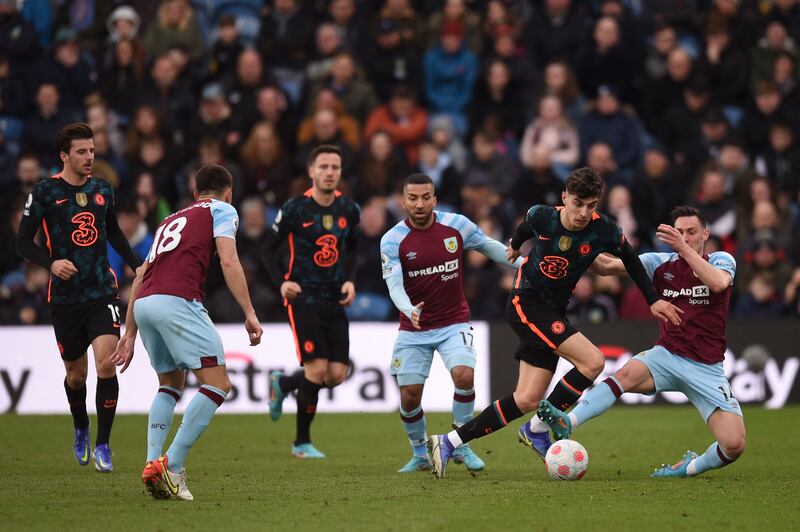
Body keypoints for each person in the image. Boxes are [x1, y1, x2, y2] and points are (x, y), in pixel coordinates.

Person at [428, 167, 682, 479]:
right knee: (593, 361)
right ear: (564, 198)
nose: (583, 213)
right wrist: (515, 245)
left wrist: (653, 297)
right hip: (526, 303)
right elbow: (523, 229)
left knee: (527, 399)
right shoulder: (543, 216)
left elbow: (629, 258)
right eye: (578, 204)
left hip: (553, 312)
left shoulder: (604, 230)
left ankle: (449, 441)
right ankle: (537, 427)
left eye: (591, 206)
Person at [538, 206, 745, 478]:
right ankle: (569, 421)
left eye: (692, 232)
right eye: (679, 232)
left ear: (705, 233)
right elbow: (606, 266)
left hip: (707, 367)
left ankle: (688, 467)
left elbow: (718, 284)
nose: (685, 237)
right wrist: (579, 240)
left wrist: (683, 248)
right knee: (625, 373)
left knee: (733, 445)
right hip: (667, 355)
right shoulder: (659, 262)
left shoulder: (721, 259)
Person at [112, 164, 263, 500]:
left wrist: (130, 332)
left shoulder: (170, 220)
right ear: (229, 192)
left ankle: (152, 463)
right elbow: (228, 261)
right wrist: (250, 313)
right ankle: (172, 465)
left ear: (195, 194)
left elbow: (139, 274)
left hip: (145, 303)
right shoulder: (222, 209)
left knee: (170, 383)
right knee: (218, 384)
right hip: (177, 301)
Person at [15, 123, 141, 472]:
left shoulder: (103, 189)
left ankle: (103, 443)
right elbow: (22, 243)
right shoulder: (44, 192)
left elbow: (112, 230)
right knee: (76, 375)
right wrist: (51, 263)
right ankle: (80, 426)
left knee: (105, 364)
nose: (90, 157)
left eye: (92, 151)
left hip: (102, 290)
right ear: (64, 156)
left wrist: (135, 264)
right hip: (65, 299)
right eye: (82, 152)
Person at [380, 173, 522, 473]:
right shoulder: (392, 239)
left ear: (435, 199)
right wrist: (408, 308)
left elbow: (490, 247)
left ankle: (460, 442)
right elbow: (394, 284)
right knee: (408, 396)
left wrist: (527, 266)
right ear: (403, 201)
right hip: (413, 327)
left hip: (453, 323)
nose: (420, 204)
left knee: (464, 376)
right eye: (413, 198)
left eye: (425, 197)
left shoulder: (456, 225)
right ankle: (420, 452)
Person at [262, 144, 360, 459]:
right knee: (316, 370)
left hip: (335, 299)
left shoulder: (348, 210)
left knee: (336, 375)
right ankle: (301, 443)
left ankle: (284, 382)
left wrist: (349, 279)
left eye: (335, 167)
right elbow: (267, 251)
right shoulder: (295, 209)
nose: (330, 173)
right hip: (304, 298)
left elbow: (354, 250)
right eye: (324, 167)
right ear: (311, 171)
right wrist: (283, 284)